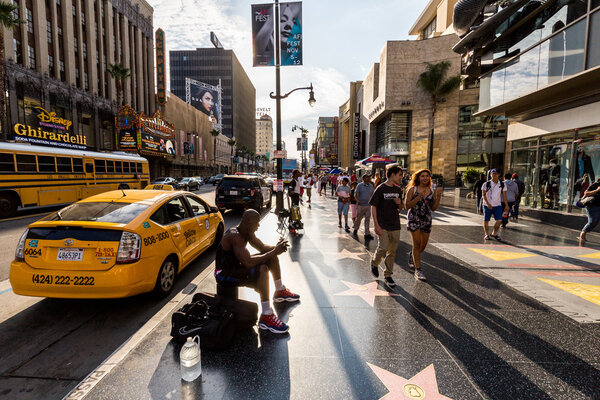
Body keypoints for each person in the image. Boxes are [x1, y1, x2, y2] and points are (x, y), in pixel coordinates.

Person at [214, 209, 299, 334]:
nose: (258, 226)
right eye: (256, 223)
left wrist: (276, 248)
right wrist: (274, 251)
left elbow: (263, 248)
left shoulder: (247, 232)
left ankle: (280, 291)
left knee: (271, 256)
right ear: (248, 222)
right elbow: (248, 262)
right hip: (224, 274)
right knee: (263, 269)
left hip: (237, 267)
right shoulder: (234, 236)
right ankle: (266, 316)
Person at [405, 169, 442, 281]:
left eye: (427, 176)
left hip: (426, 219)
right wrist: (418, 197)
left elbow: (433, 208)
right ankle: (418, 270)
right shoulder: (412, 189)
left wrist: (438, 196)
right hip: (414, 219)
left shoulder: (431, 191)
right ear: (418, 178)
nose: (425, 178)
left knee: (423, 245)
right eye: (422, 176)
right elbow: (407, 206)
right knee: (416, 244)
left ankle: (412, 255)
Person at [370, 165, 403, 288]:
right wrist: (376, 225)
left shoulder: (398, 190)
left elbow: (400, 208)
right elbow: (373, 206)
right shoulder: (380, 188)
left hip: (395, 225)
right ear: (393, 175)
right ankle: (374, 262)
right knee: (383, 247)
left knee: (392, 251)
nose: (401, 177)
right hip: (382, 224)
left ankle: (388, 275)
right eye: (400, 175)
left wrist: (399, 204)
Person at [482, 168, 509, 241]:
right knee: (486, 220)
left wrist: (506, 205)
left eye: (495, 173)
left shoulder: (502, 184)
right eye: (492, 173)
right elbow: (483, 195)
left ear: (499, 175)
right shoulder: (486, 184)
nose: (494, 175)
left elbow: (504, 196)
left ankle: (494, 233)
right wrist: (487, 203)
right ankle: (487, 234)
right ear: (490, 174)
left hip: (497, 205)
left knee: (499, 220)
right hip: (487, 205)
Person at [578, 177, 600, 245]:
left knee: (595, 222)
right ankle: (583, 233)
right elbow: (586, 193)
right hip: (593, 206)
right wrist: (597, 190)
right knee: (592, 222)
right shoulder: (596, 184)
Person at [353, 174, 375, 239]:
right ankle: (356, 229)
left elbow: (372, 195)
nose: (369, 178)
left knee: (367, 219)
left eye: (369, 177)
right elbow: (355, 194)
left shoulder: (371, 186)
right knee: (358, 218)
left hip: (368, 205)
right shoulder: (359, 185)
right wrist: (358, 201)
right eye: (367, 177)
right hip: (361, 205)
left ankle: (367, 233)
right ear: (364, 178)